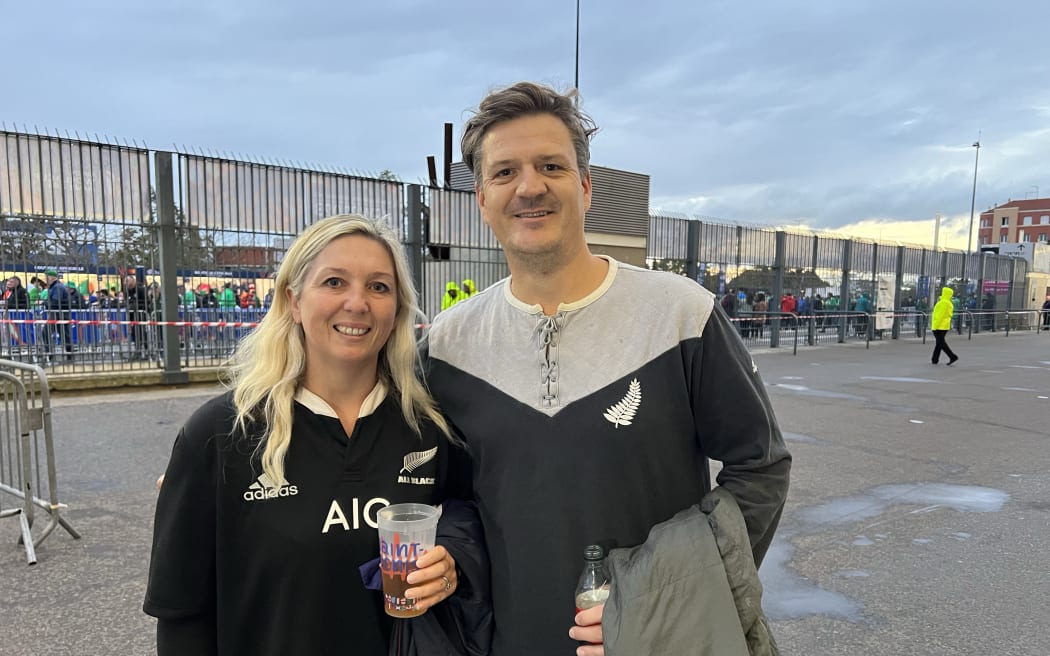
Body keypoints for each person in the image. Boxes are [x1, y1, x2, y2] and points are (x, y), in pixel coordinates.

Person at [424, 81, 790, 655]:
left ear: (586, 186)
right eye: (503, 172)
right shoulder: (447, 345)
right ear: (482, 200)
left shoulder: (680, 314)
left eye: (551, 165)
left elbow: (760, 468)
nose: (529, 187)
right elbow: (444, 498)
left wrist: (666, 601)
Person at [144, 215, 468, 656]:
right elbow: (180, 614)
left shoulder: (428, 429)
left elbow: (466, 523)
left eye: (379, 286)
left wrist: (451, 561)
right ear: (293, 301)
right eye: (334, 282)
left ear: (397, 312)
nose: (357, 303)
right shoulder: (221, 434)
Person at [44, 269, 74, 361]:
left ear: (52, 277)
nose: (45, 278)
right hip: (58, 313)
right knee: (64, 334)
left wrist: (44, 303)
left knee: (47, 332)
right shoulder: (55, 287)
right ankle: (68, 354)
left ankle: (50, 353)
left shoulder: (57, 287)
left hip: (58, 314)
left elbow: (56, 301)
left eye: (47, 276)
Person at [931, 286, 959, 366]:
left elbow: (939, 315)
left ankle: (952, 356)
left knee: (941, 342)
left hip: (939, 325)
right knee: (939, 342)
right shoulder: (949, 303)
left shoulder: (943, 303)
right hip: (945, 325)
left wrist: (934, 326)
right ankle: (935, 359)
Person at [125, 275, 149, 361]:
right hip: (133, 317)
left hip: (141, 316)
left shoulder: (140, 289)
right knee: (135, 335)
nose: (126, 283)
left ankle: (147, 351)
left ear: (133, 281)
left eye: (127, 281)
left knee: (142, 334)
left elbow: (147, 302)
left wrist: (136, 305)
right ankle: (138, 351)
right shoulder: (128, 291)